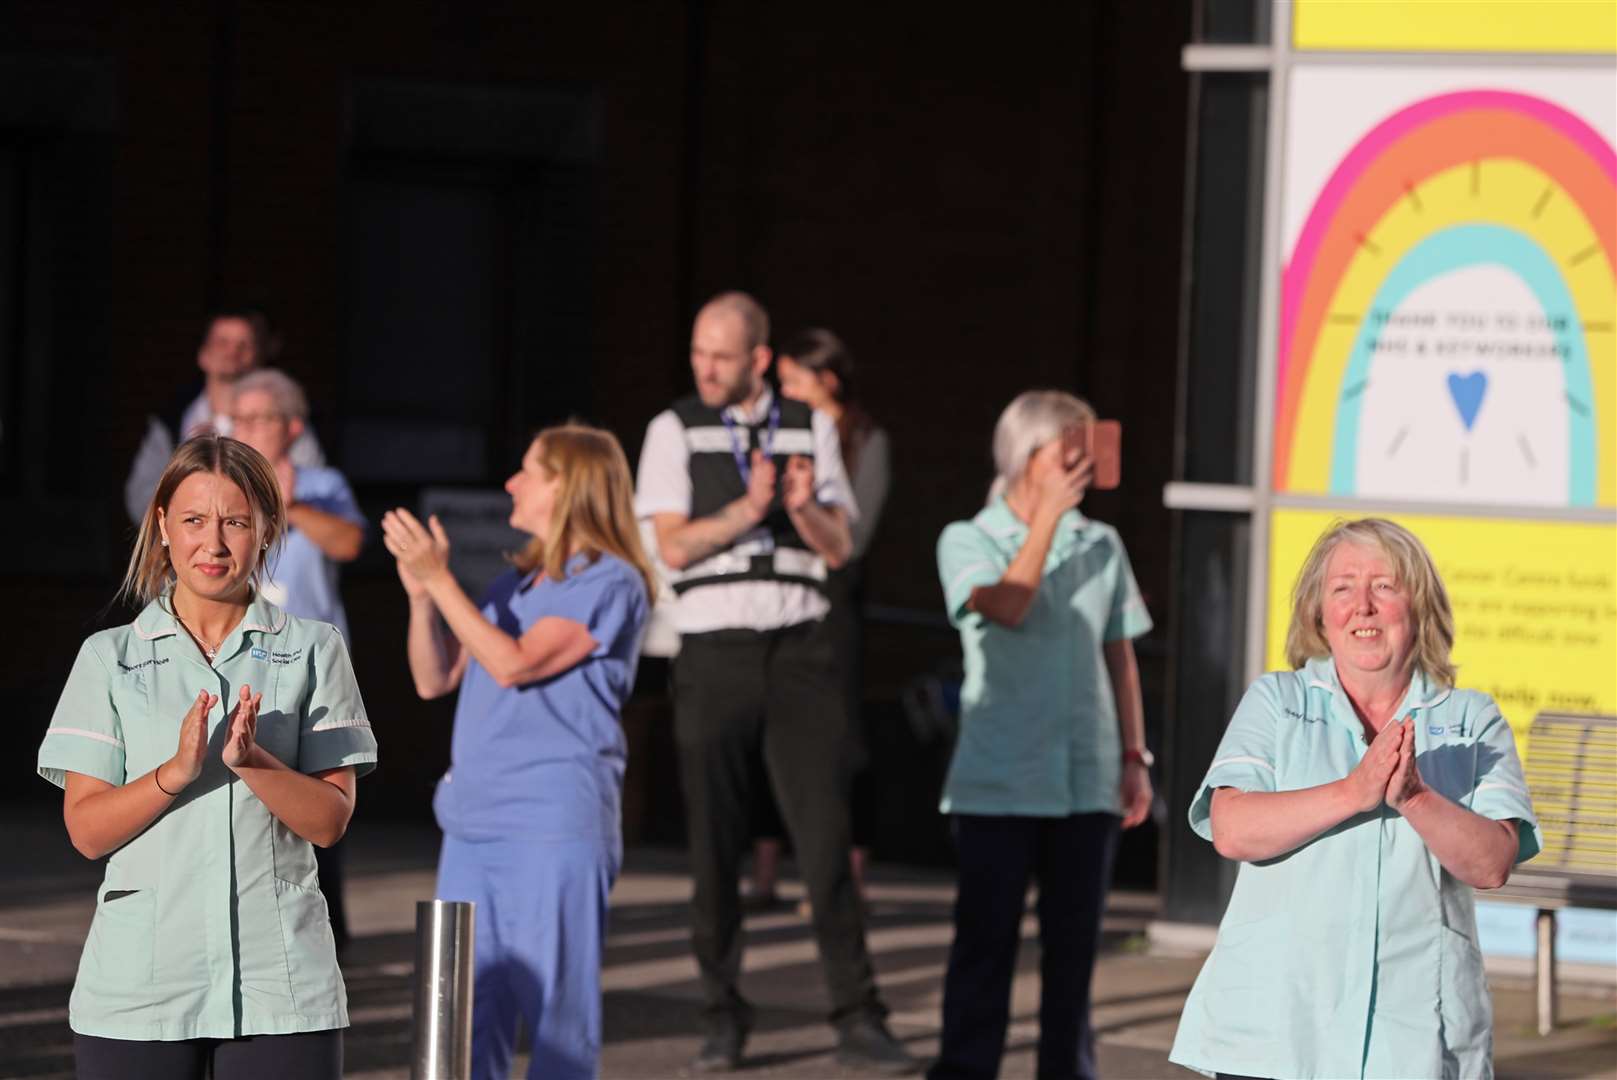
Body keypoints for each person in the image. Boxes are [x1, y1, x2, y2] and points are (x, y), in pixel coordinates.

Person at [37, 435, 377, 1080]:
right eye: (193, 520)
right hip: (140, 993)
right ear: (161, 526)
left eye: (236, 522)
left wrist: (251, 761)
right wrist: (175, 774)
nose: (213, 544)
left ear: (268, 531)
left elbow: (330, 822)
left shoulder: (315, 649)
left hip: (282, 992)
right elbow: (86, 832)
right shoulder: (109, 657)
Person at [634, 291, 913, 1072]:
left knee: (823, 840)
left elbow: (839, 546)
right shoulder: (671, 428)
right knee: (714, 846)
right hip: (713, 645)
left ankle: (858, 1016)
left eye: (720, 355)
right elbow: (673, 547)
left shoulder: (808, 423)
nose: (705, 367)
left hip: (799, 647)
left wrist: (801, 507)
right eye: (698, 352)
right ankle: (721, 1015)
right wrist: (748, 508)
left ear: (757, 358)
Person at [1169, 518, 1541, 1080]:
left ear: (1419, 607)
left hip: (1411, 1038)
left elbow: (1491, 864)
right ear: (1319, 612)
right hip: (1277, 1031)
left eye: (1385, 586)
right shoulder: (1276, 699)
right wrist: (1354, 791)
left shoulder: (1472, 719)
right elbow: (1231, 828)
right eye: (1343, 588)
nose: (1362, 606)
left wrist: (1414, 796)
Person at [381, 422, 653, 1080]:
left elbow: (513, 663)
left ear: (569, 487)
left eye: (528, 469)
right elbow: (431, 678)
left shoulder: (610, 581)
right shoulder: (514, 586)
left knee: (555, 1021)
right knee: (459, 1023)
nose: (512, 483)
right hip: (473, 826)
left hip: (550, 827)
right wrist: (422, 599)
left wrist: (440, 580)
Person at [930, 390, 1153, 1080]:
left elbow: (1120, 654)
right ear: (1027, 457)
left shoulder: (1102, 543)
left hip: (1085, 777)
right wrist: (1046, 523)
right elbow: (1006, 605)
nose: (1083, 464)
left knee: (1073, 955)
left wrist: (1133, 757)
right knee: (984, 949)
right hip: (998, 780)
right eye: (1069, 450)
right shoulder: (966, 537)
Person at [748, 328, 892, 908]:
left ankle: (846, 878)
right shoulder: (778, 431)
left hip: (835, 600)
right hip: (781, 594)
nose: (784, 393)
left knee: (841, 737)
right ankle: (764, 873)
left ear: (827, 381)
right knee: (768, 724)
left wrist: (811, 516)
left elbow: (854, 538)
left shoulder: (865, 439)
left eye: (794, 382)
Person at [230, 368, 366, 951]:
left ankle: (326, 934)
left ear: (291, 426)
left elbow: (350, 543)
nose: (251, 429)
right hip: (240, 664)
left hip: (312, 668)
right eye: (241, 418)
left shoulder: (324, 482)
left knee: (319, 795)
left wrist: (291, 503)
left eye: (263, 418)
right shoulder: (222, 485)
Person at [124, 308, 325, 523]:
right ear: (203, 354)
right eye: (222, 342)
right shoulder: (172, 420)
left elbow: (318, 497)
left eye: (244, 344)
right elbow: (141, 498)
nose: (232, 352)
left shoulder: (286, 421)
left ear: (260, 355)